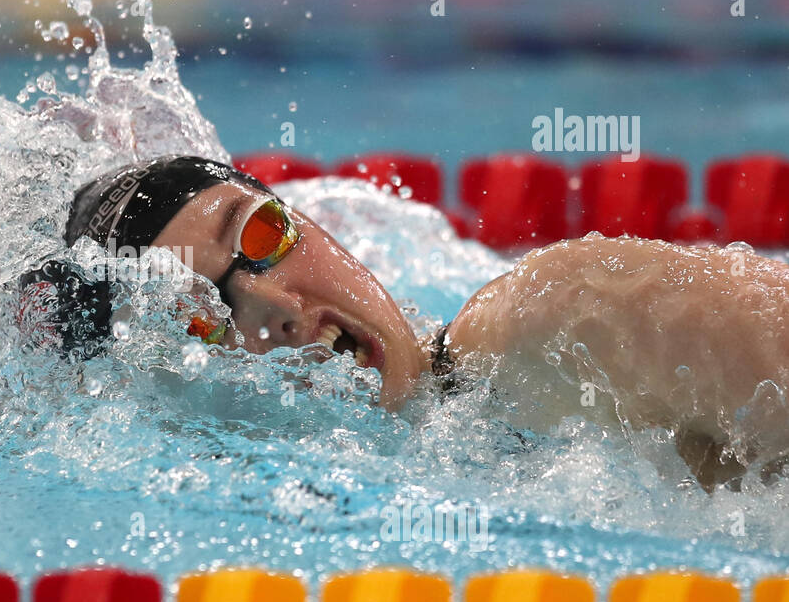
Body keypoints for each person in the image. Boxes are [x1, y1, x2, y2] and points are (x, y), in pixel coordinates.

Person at [44, 155, 789, 491]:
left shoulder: (557, 319)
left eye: (262, 236)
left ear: (313, 222)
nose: (276, 310)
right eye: (202, 318)